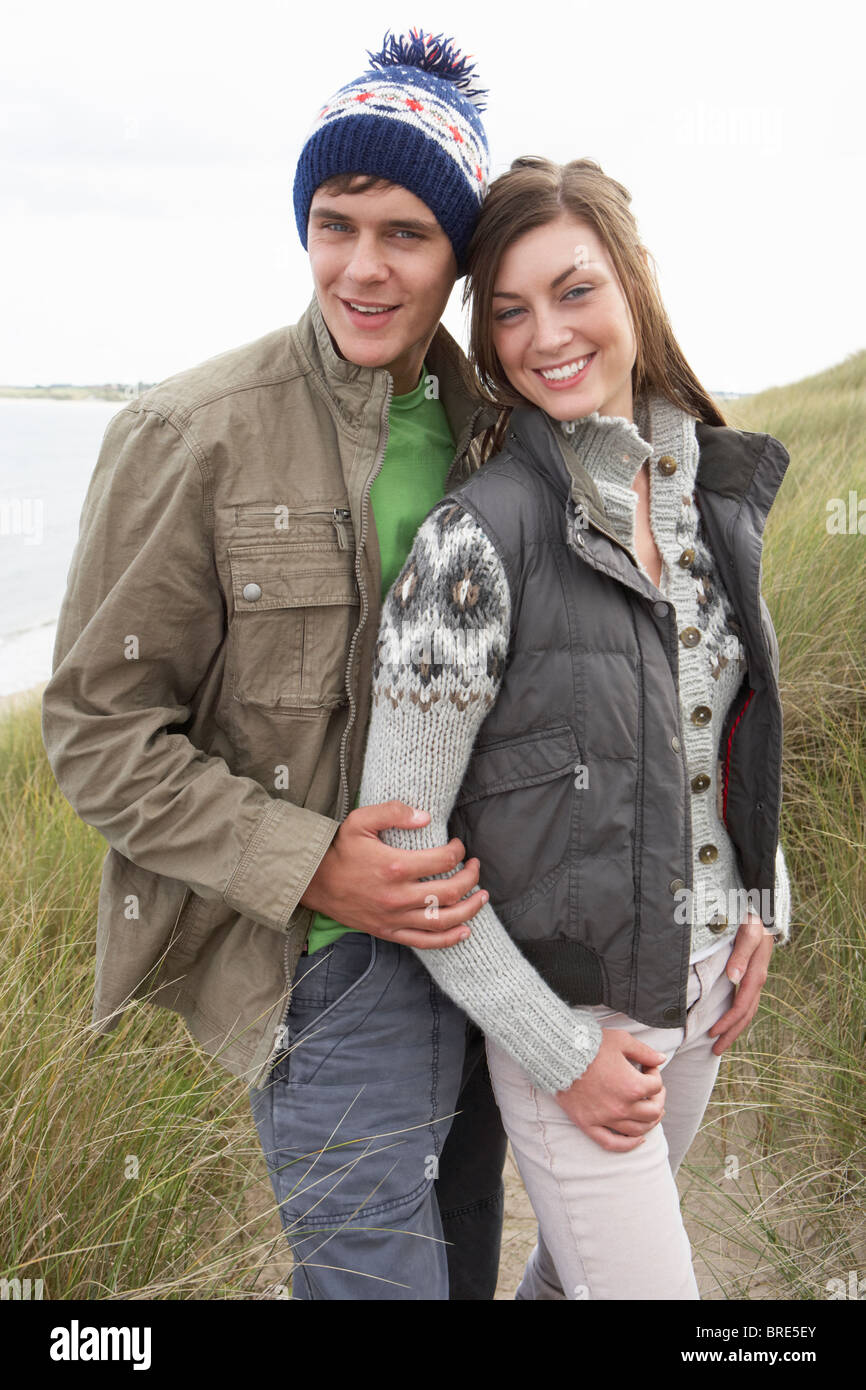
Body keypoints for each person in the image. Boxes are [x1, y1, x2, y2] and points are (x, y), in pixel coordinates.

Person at [40, 31, 528, 1300]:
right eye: (333, 222)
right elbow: (96, 731)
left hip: (508, 943)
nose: (360, 267)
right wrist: (315, 864)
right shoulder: (188, 433)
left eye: (406, 233)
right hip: (330, 971)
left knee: (470, 1263)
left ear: (458, 255)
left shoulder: (503, 434)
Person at [356, 155, 793, 1299]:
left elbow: (716, 729)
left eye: (572, 290)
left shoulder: (702, 496)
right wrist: (560, 1054)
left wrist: (754, 896)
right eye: (506, 310)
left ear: (634, 287)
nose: (541, 334)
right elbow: (402, 850)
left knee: (571, 1281)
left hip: (699, 990)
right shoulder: (470, 543)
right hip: (570, 1023)